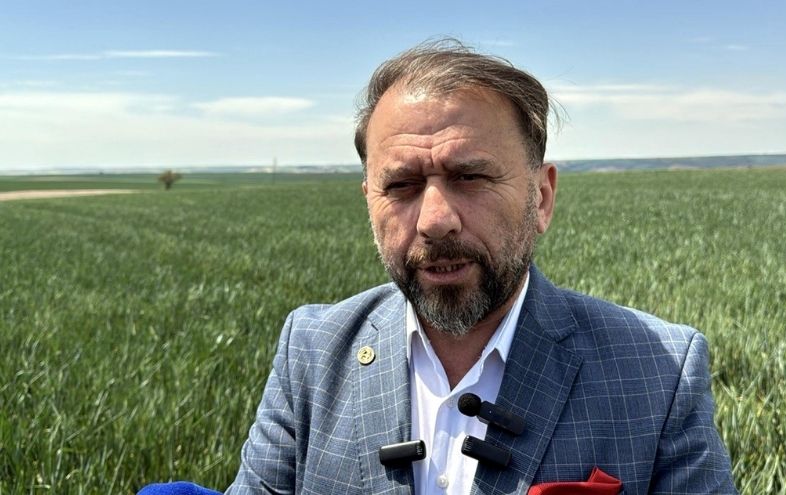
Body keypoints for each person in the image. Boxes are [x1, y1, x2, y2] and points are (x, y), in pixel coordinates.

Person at [142, 38, 737, 495]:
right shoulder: (313, 350)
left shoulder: (657, 371)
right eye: (401, 184)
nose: (434, 220)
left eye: (469, 176)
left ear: (541, 198)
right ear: (369, 202)